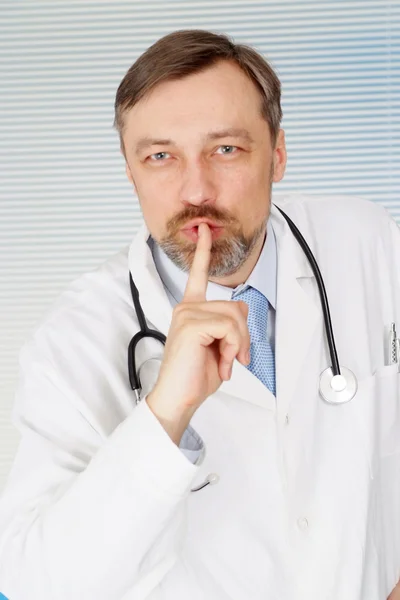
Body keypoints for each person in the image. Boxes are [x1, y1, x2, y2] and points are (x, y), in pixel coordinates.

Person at [0, 28, 399, 600]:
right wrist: (165, 414)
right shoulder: (75, 339)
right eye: (161, 156)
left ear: (278, 153)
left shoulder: (372, 245)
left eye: (226, 149)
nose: (196, 189)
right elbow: (37, 582)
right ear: (129, 169)